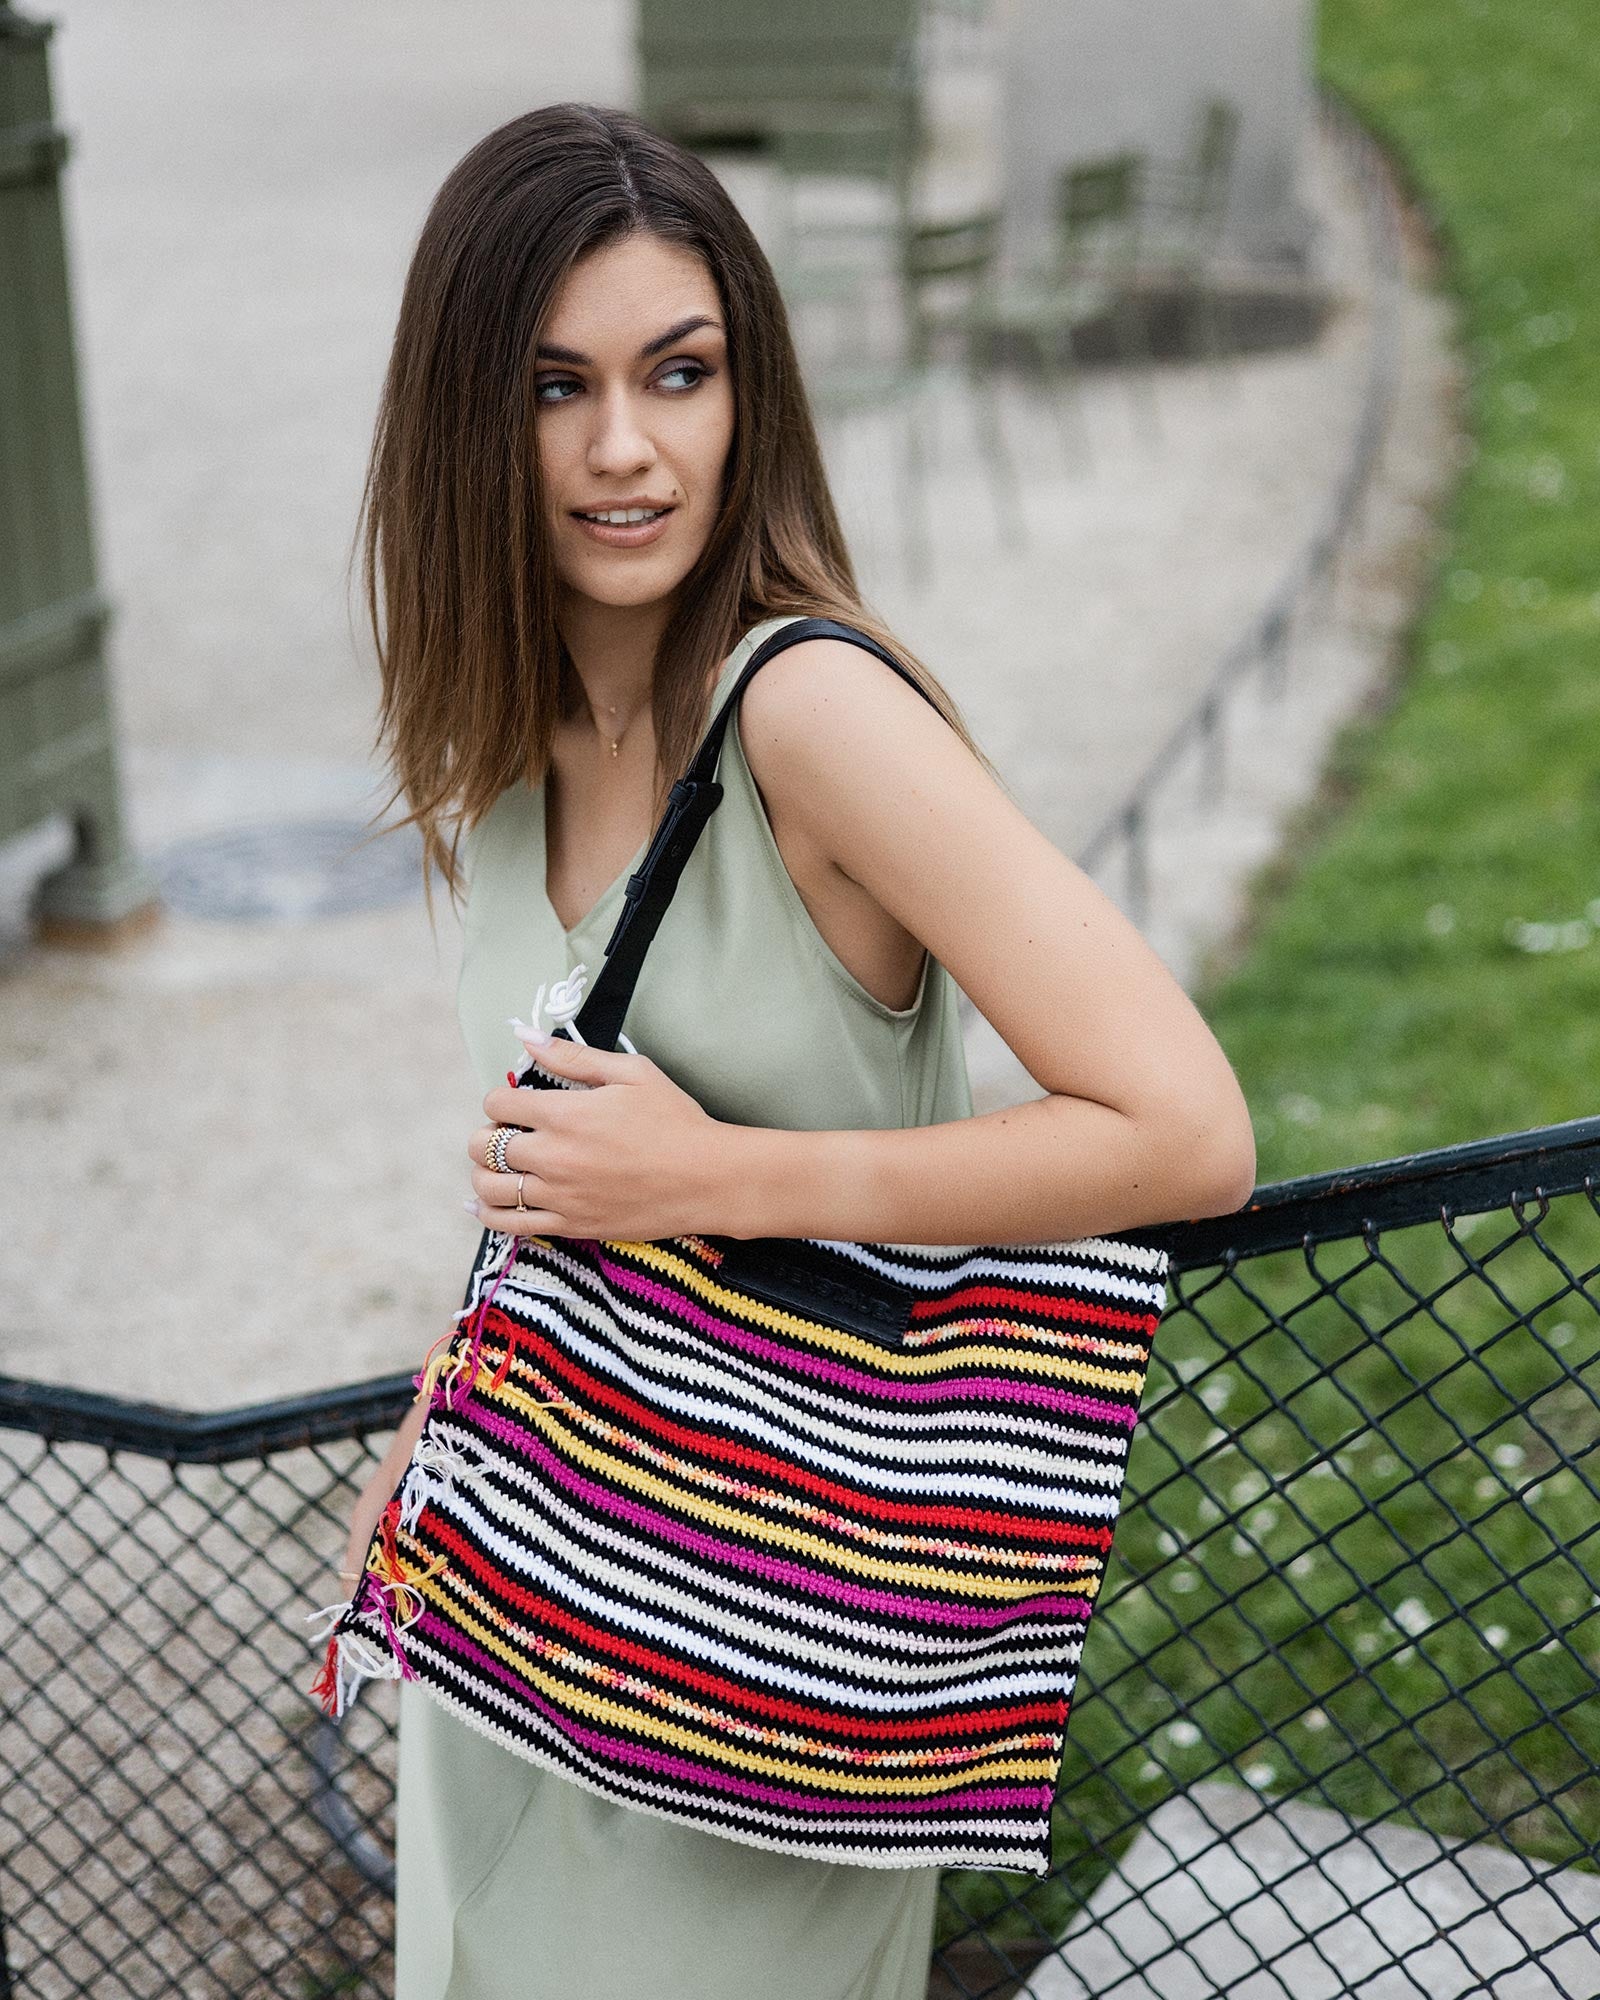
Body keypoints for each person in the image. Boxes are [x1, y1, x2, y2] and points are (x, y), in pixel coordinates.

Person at [336, 100, 1256, 2000]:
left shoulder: (813, 716)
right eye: (552, 385)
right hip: (532, 1602)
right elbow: (560, 1152)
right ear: (461, 421)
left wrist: (727, 1178)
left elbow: (1186, 1127)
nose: (624, 449)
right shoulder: (497, 762)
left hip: (760, 1663)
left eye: (680, 373)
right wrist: (452, 1387)